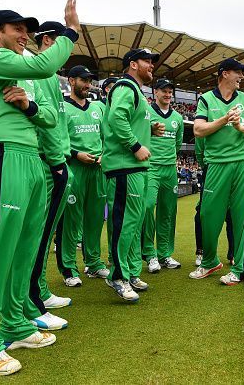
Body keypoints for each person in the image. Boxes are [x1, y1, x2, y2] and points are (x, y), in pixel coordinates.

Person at [0, 0, 80, 377]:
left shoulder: (19, 73)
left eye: (27, 30)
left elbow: (49, 118)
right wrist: (69, 32)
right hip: (3, 156)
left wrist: (29, 105)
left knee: (25, 248)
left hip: (31, 159)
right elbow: (46, 62)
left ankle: (15, 324)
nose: (25, 36)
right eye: (17, 29)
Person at [20, 21, 75, 332]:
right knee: (37, 236)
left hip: (55, 159)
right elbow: (45, 123)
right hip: (46, 162)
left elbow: (56, 121)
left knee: (44, 235)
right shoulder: (38, 72)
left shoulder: (52, 77)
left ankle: (38, 291)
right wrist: (56, 161)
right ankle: (32, 302)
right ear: (49, 41)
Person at [191, 58, 244, 286]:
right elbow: (198, 129)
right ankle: (210, 261)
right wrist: (224, 119)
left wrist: (240, 127)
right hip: (216, 163)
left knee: (240, 216)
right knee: (208, 214)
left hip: (243, 161)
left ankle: (239, 268)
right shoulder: (206, 99)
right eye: (238, 73)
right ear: (224, 74)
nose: (241, 76)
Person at [102, 48, 163, 302]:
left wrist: (148, 128)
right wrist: (136, 146)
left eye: (152, 62)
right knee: (124, 223)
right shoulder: (126, 86)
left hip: (135, 168)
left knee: (133, 223)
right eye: (147, 61)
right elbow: (116, 118)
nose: (151, 65)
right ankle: (117, 275)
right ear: (133, 64)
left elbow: (128, 119)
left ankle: (127, 271)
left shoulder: (137, 91)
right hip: (124, 165)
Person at [56, 65, 109, 286]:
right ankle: (69, 268)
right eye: (83, 80)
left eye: (89, 81)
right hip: (74, 168)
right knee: (71, 221)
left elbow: (108, 136)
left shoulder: (98, 107)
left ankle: (94, 263)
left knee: (96, 219)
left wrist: (105, 155)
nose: (87, 85)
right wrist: (76, 154)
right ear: (71, 81)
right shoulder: (62, 107)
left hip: (97, 170)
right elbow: (57, 140)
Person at [141, 78, 183, 273]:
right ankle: (149, 254)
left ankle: (165, 254)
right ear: (155, 92)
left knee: (168, 211)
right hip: (151, 167)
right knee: (148, 206)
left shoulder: (178, 118)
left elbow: (177, 144)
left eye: (170, 91)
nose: (167, 94)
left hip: (169, 169)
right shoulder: (146, 112)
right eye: (163, 91)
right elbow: (138, 134)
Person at [193, 138, 235, 267]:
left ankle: (233, 254)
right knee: (202, 214)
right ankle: (202, 251)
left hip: (233, 168)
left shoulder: (235, 119)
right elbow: (199, 151)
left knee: (232, 214)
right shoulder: (206, 120)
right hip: (212, 168)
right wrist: (208, 165)